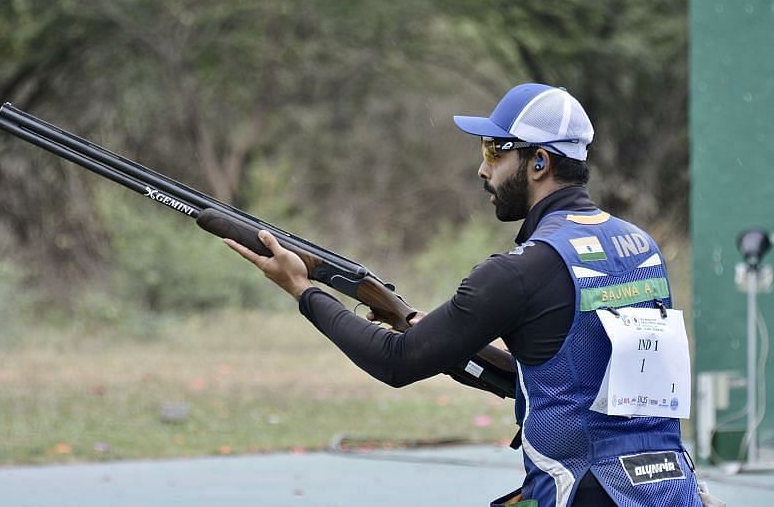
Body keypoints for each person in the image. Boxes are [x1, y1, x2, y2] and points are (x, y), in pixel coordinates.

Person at [224, 83, 703, 506]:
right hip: (668, 489)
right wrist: (438, 333)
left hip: (579, 490)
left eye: (495, 151)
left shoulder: (520, 272)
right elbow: (569, 380)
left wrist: (302, 289)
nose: (481, 169)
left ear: (539, 161)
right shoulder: (640, 247)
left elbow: (397, 362)